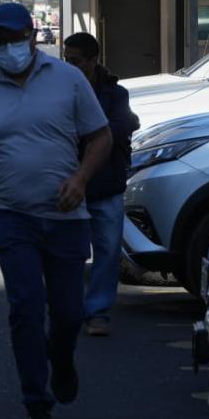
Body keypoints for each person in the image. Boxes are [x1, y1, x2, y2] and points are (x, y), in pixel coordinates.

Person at [0, 3, 113, 419]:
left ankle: (61, 360)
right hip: (10, 215)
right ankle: (36, 405)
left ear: (32, 36)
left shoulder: (68, 79)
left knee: (67, 312)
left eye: (13, 38)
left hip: (66, 216)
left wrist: (81, 179)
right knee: (24, 307)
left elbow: (101, 137)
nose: (7, 47)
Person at [63, 32, 140, 337]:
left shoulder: (115, 94)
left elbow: (120, 130)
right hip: (69, 185)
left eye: (75, 61)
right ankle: (69, 308)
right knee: (70, 252)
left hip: (106, 184)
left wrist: (87, 135)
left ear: (93, 61)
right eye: (65, 60)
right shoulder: (60, 91)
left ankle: (98, 312)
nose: (69, 66)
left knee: (107, 252)